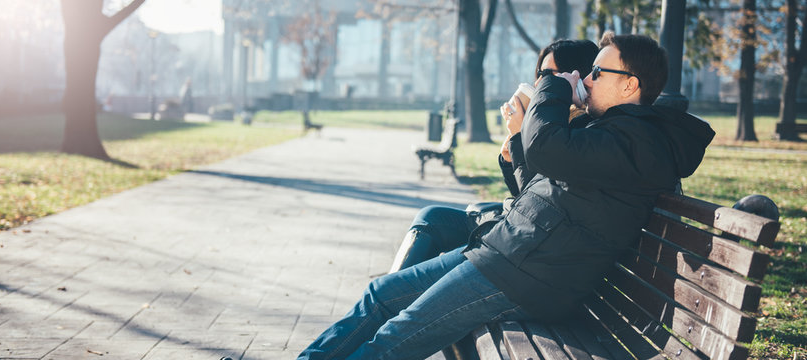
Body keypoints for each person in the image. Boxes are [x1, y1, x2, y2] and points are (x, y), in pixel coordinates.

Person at [298, 32, 715, 360]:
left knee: (396, 338)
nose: (587, 80)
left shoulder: (637, 143)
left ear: (630, 86)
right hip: (508, 255)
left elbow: (548, 151)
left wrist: (550, 87)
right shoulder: (614, 133)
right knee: (380, 297)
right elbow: (545, 182)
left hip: (528, 275)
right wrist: (520, 138)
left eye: (598, 73)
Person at [389, 39, 599, 272]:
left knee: (426, 238)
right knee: (430, 217)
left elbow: (536, 203)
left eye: (550, 74)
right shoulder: (551, 120)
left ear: (577, 78)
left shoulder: (578, 130)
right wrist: (510, 154)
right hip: (509, 223)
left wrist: (520, 136)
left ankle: (391, 292)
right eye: (539, 73)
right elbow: (521, 190)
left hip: (519, 244)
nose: (539, 82)